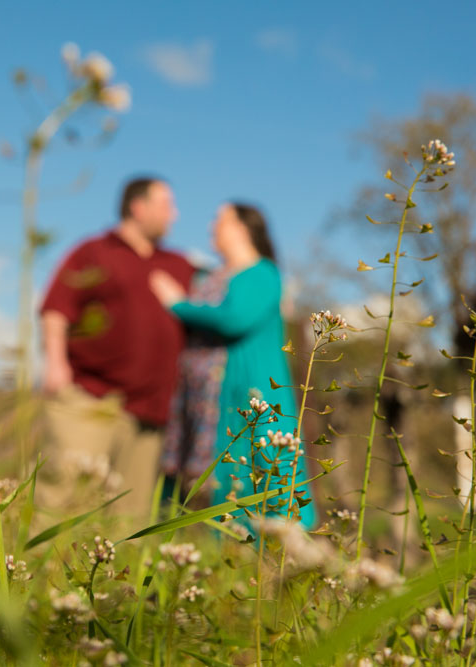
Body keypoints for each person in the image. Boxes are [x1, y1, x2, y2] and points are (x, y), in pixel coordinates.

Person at [149, 203, 316, 528]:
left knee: (261, 466)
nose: (212, 226)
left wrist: (178, 304)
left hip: (251, 387)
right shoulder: (217, 275)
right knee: (226, 474)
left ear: (243, 228)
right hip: (213, 393)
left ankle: (280, 553)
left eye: (220, 219)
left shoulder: (262, 273)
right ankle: (226, 551)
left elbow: (233, 319)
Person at [39, 177, 195, 519]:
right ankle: (34, 572)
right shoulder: (93, 252)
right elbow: (56, 309)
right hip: (90, 398)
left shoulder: (178, 265)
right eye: (167, 205)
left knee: (130, 518)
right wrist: (55, 364)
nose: (175, 215)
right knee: (62, 500)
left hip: (150, 412)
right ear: (138, 208)